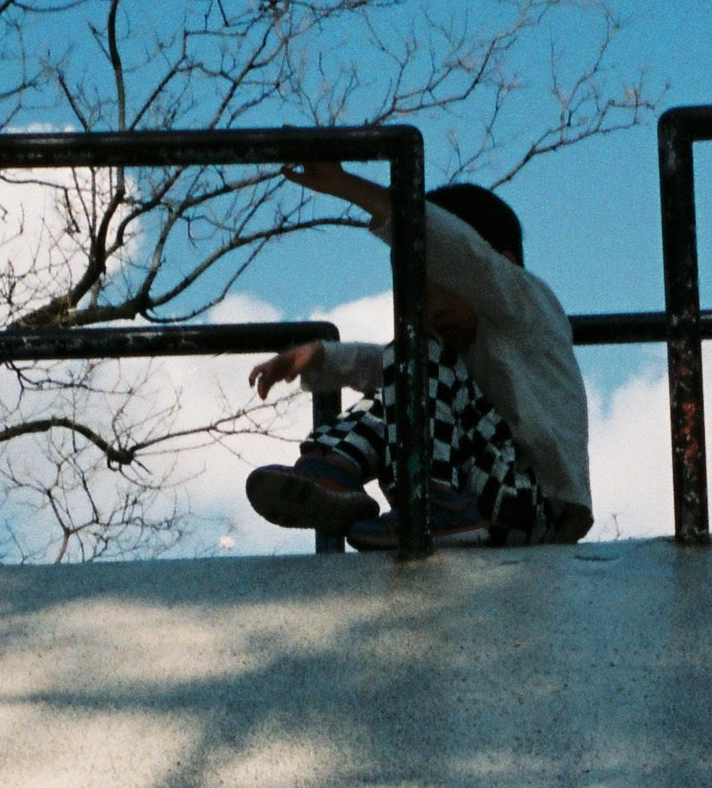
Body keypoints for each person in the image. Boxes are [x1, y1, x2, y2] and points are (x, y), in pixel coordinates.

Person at [244, 167, 591, 549]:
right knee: (405, 378)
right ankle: (334, 469)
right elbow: (386, 368)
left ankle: (432, 501)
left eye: (441, 286)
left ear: (500, 266)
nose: (431, 309)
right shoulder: (457, 365)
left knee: (415, 357)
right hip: (488, 500)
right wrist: (319, 356)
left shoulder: (525, 303)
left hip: (536, 506)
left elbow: (454, 244)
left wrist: (345, 185)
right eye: (419, 295)